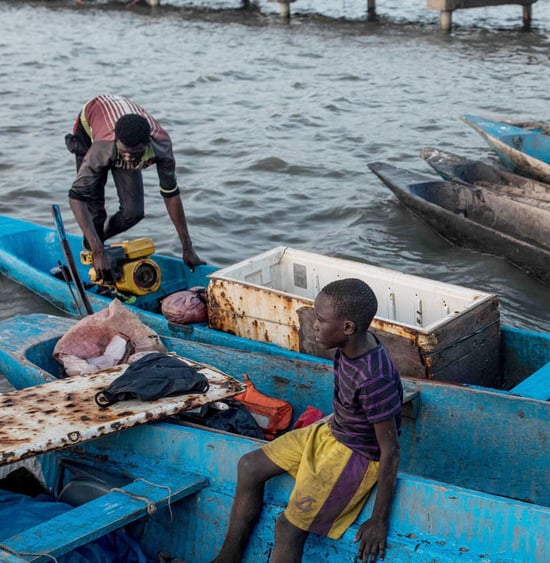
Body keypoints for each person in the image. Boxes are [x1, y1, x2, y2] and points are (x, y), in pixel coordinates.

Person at [211, 278, 403, 563]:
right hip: (333, 430)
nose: (313, 324)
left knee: (288, 529)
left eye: (320, 320)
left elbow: (390, 450)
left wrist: (379, 519)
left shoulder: (374, 378)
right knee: (249, 466)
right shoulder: (350, 345)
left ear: (348, 328)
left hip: (356, 455)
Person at [65, 95, 203, 281]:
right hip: (91, 124)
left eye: (135, 154)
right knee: (95, 212)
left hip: (125, 138)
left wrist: (187, 247)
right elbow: (76, 197)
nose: (128, 160)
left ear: (146, 144)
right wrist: (98, 251)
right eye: (124, 154)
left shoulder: (161, 146)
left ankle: (94, 240)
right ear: (117, 144)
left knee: (133, 212)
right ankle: (95, 252)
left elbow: (171, 194)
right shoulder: (104, 146)